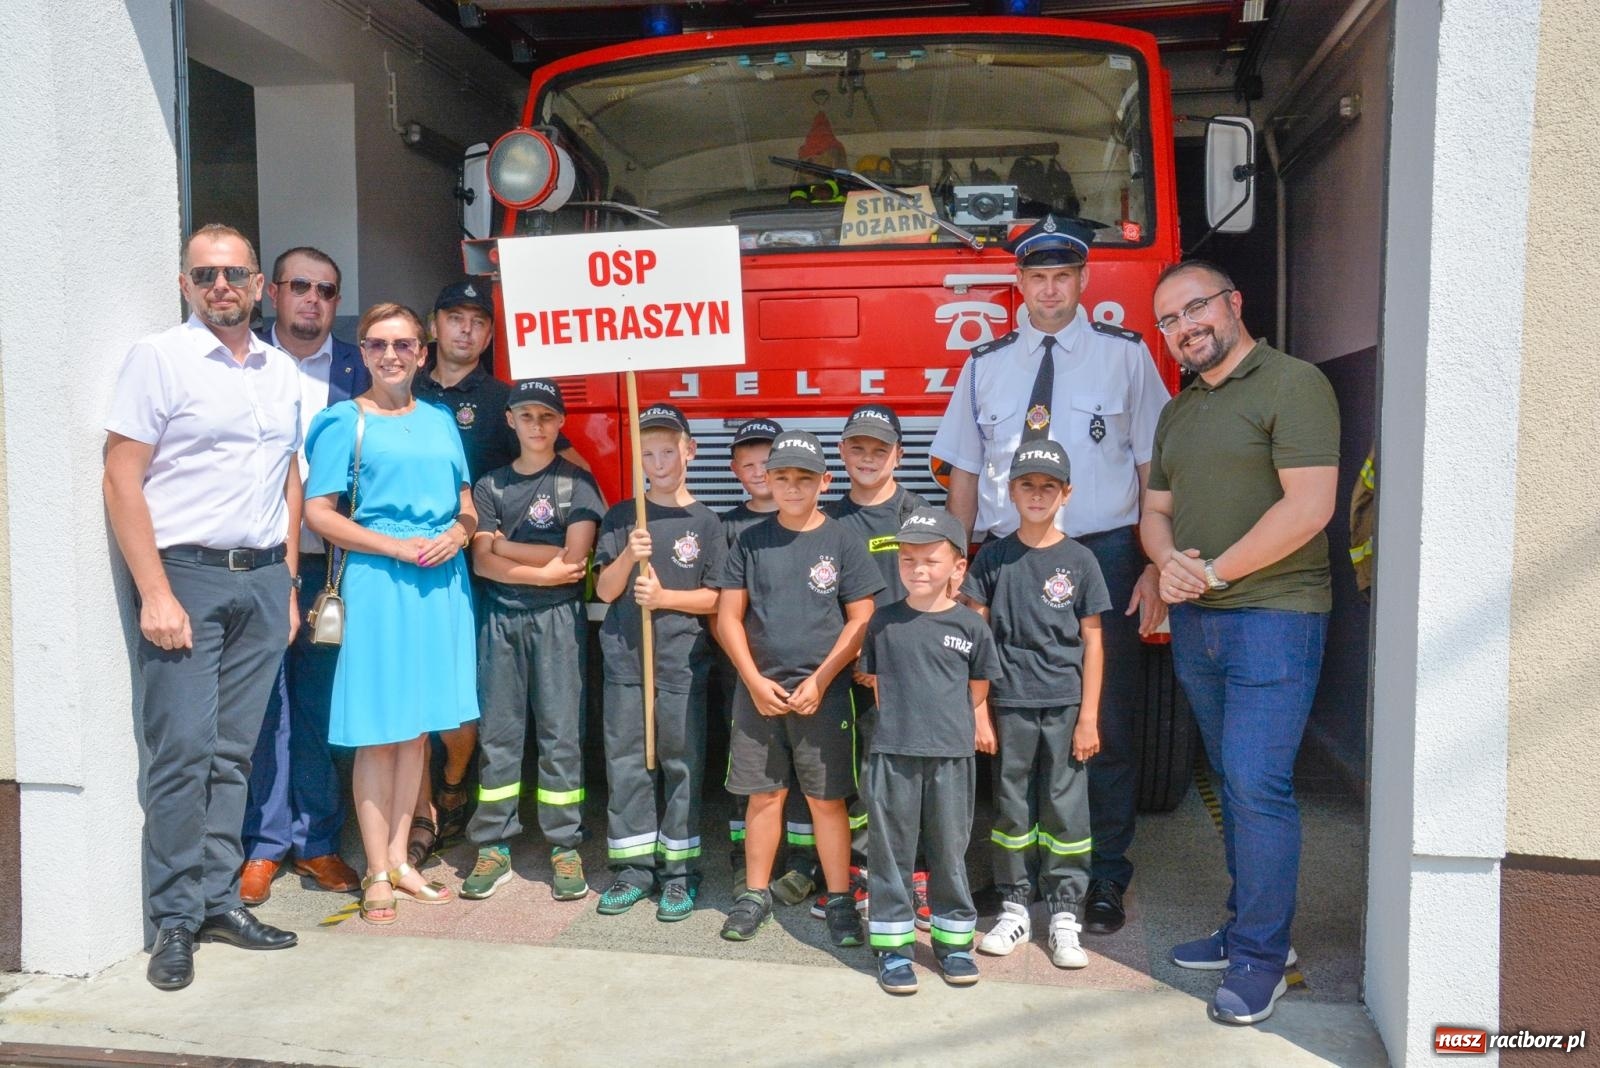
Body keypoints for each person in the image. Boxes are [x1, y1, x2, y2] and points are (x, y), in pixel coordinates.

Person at [930, 213, 1170, 936]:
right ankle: (1018, 874)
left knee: (1106, 721)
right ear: (1020, 282)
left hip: (1104, 553)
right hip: (1005, 560)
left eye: (1064, 276)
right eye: (1038, 277)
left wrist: (1156, 562)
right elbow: (964, 473)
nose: (1051, 290)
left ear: (1084, 280)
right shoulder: (987, 363)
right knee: (1009, 720)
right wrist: (958, 568)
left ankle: (1104, 875)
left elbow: (1154, 467)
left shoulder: (1125, 356)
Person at [105, 223, 302, 990]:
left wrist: (288, 580)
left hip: (262, 581)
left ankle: (220, 901)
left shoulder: (281, 370)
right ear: (185, 284)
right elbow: (122, 476)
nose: (221, 285)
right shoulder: (159, 359)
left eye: (234, 273)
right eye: (205, 274)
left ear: (258, 286)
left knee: (233, 754)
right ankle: (175, 920)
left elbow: (287, 477)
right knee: (183, 753)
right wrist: (154, 590)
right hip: (187, 577)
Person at [1143, 260, 1338, 1026]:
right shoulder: (1178, 411)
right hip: (1201, 623)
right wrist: (1167, 563)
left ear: (1233, 303)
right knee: (1230, 780)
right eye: (1168, 320)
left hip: (1275, 619)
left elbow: (1310, 507)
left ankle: (1264, 957)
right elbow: (1155, 511)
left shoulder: (1295, 383)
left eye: (1195, 308)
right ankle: (1245, 929)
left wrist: (1212, 572)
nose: (1184, 328)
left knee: (1258, 785)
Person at [303, 302, 480, 926]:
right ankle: (377, 867)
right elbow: (318, 513)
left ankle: (403, 860)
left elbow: (466, 502)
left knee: (418, 729)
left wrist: (459, 533)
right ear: (363, 352)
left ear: (422, 353)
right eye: (378, 344)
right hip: (380, 579)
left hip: (441, 580)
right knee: (380, 731)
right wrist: (393, 546)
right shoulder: (342, 421)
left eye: (404, 344)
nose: (391, 355)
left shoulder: (440, 420)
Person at [412, 281, 590, 852]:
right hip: (409, 559)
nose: (466, 330)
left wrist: (522, 543)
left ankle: (455, 788)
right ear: (434, 325)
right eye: (455, 318)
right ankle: (420, 812)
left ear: (490, 335)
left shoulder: (503, 399)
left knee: (477, 701)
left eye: (478, 322)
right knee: (418, 690)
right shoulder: (404, 385)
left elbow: (573, 472)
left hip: (478, 575)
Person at [712, 430, 883, 946]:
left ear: (824, 482)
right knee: (764, 796)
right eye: (781, 477)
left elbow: (862, 619)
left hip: (822, 694)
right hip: (758, 693)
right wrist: (752, 680)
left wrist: (821, 678)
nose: (791, 487)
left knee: (827, 800)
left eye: (803, 478)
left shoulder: (842, 542)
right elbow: (727, 617)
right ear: (767, 479)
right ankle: (754, 894)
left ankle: (839, 897)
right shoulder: (750, 541)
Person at [240, 247, 366, 906]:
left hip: (332, 567)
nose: (312, 299)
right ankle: (262, 846)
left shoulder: (359, 368)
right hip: (258, 561)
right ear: (274, 293)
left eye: (326, 289)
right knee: (264, 706)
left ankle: (316, 841)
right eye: (300, 286)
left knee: (317, 706)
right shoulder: (242, 359)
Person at [961, 441, 1110, 970]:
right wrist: (978, 709)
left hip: (1066, 704)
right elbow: (975, 638)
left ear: (1066, 493)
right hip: (1009, 702)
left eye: (1049, 486)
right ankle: (1015, 907)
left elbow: (1093, 641)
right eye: (1027, 485)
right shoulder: (994, 558)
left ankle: (1065, 914)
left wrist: (1089, 716)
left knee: (1066, 806)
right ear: (1010, 491)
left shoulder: (1081, 560)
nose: (1038, 495)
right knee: (1012, 806)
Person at [460, 378, 606, 902]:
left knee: (561, 733)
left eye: (546, 417)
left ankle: (564, 844)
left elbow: (576, 559)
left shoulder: (577, 484)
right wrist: (543, 568)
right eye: (526, 416)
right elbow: (481, 562)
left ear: (561, 422)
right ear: (510, 421)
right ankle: (493, 843)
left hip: (558, 622)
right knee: (499, 733)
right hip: (500, 619)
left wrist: (506, 548)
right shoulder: (490, 485)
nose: (537, 426)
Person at [592, 404, 726, 921]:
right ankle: (633, 870)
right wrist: (629, 554)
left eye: (668, 451)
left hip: (680, 662)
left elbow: (715, 598)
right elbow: (605, 591)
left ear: (690, 451)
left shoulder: (707, 522)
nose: (659, 462)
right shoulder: (623, 517)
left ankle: (678, 872)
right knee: (627, 762)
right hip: (627, 659)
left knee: (681, 763)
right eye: (647, 454)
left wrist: (666, 597)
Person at [862, 508, 1001, 995]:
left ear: (958, 568)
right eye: (908, 559)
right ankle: (894, 949)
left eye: (930, 560)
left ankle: (954, 944)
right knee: (891, 854)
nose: (918, 569)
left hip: (951, 755)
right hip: (893, 753)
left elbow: (978, 689)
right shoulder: (883, 622)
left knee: (949, 851)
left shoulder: (971, 627)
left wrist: (949, 727)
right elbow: (878, 685)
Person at [816, 404, 931, 922]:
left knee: (915, 775)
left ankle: (919, 875)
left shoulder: (919, 515)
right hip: (851, 672)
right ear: (842, 453)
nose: (867, 458)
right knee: (863, 776)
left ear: (898, 456)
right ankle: (863, 874)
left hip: (911, 670)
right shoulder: (828, 519)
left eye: (879, 450)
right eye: (857, 448)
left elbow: (934, 595)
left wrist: (888, 658)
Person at [714, 417, 782, 885]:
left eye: (768, 462)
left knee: (805, 767)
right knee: (746, 766)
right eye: (749, 464)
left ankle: (801, 859)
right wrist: (748, 668)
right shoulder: (727, 528)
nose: (759, 472)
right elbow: (719, 610)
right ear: (735, 471)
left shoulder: (818, 523)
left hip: (799, 670)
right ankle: (745, 855)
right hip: (741, 672)